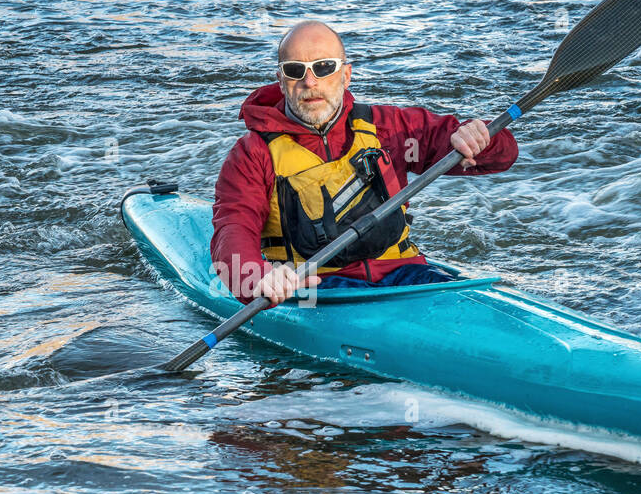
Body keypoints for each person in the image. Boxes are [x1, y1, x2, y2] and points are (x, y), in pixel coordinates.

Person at [211, 20, 518, 306]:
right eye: (295, 70)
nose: (309, 81)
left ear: (346, 74)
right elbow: (233, 227)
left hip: (405, 275)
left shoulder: (389, 128)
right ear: (280, 81)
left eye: (323, 67)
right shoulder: (252, 155)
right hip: (318, 290)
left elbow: (502, 156)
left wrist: (481, 137)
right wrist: (255, 276)